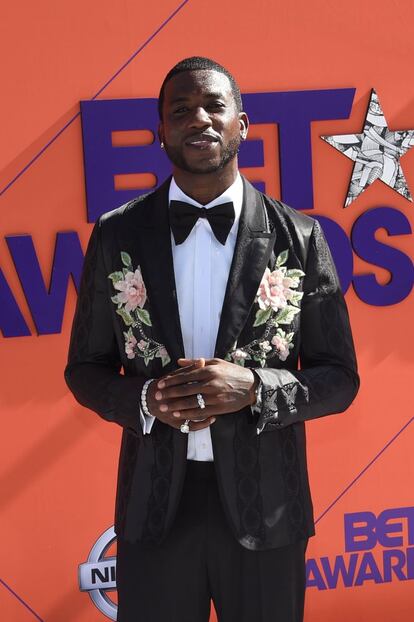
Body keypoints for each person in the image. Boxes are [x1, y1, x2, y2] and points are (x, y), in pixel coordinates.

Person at [65, 56, 359, 622]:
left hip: (268, 510)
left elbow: (339, 378)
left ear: (242, 125)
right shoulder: (116, 233)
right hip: (154, 509)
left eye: (213, 106)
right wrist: (147, 401)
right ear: (162, 134)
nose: (197, 118)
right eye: (180, 110)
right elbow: (85, 367)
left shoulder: (298, 237)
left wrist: (254, 388)